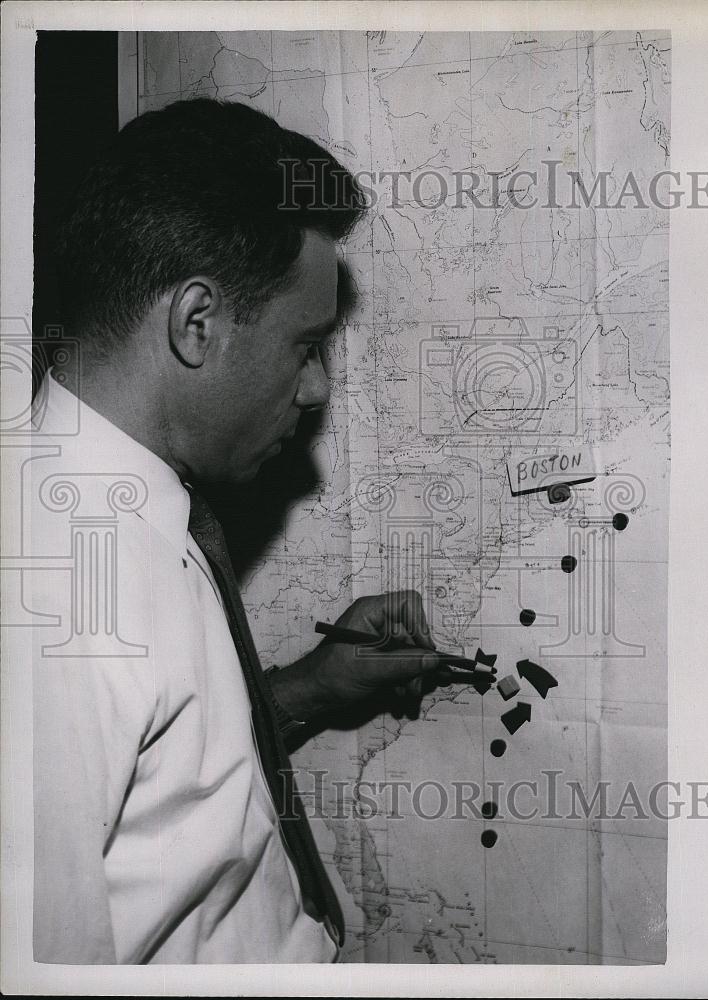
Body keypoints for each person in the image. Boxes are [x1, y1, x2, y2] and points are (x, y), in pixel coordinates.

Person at [30, 98, 445, 964]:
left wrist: (303, 692)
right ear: (197, 324)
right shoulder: (51, 596)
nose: (317, 390)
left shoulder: (124, 508)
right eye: (305, 346)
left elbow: (150, 777)